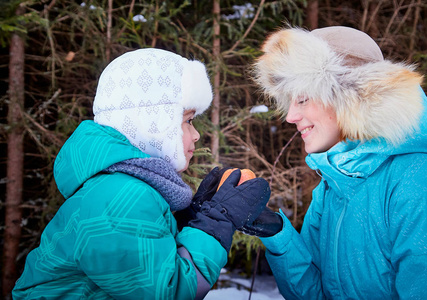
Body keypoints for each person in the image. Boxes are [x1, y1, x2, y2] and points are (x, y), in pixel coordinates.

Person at [12, 48, 271, 299]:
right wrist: (216, 222)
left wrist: (192, 219)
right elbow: (167, 290)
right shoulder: (117, 197)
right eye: (188, 120)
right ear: (153, 122)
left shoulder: (121, 189)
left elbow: (145, 259)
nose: (196, 134)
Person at [246, 26, 427, 299]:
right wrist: (276, 232)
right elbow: (316, 292)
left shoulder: (418, 178)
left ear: (350, 97)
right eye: (290, 100)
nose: (290, 115)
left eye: (303, 98)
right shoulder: (334, 183)